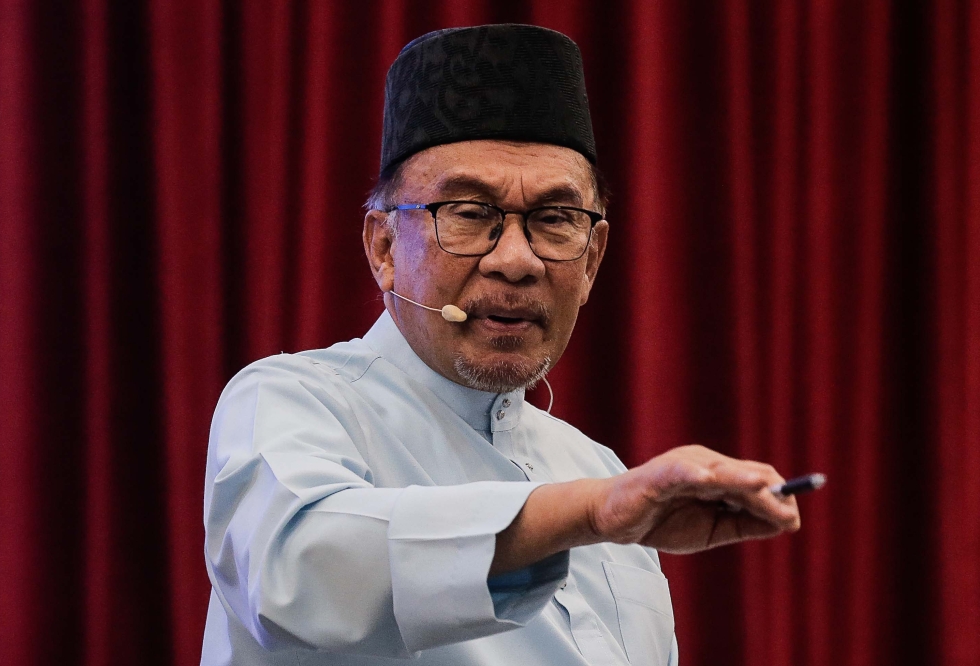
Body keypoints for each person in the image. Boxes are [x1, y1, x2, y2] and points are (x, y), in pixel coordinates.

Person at [200, 24, 800, 666]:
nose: (517, 261)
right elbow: (297, 578)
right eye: (469, 211)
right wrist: (587, 515)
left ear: (593, 259)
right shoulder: (293, 400)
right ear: (383, 249)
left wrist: (598, 503)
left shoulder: (598, 469)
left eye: (554, 219)